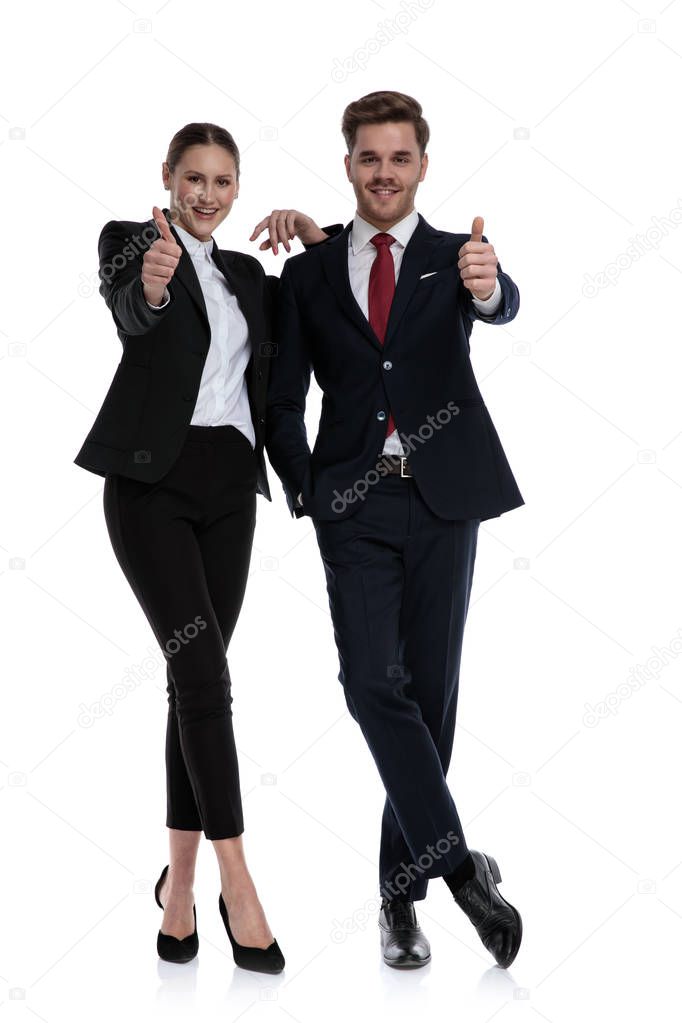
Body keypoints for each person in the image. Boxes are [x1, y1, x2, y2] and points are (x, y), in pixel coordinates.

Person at [265, 91, 524, 969]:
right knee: (373, 684)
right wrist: (309, 489)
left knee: (430, 702)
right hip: (353, 507)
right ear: (347, 165)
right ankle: (460, 871)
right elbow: (284, 394)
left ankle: (398, 897)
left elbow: (501, 301)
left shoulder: (460, 257)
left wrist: (490, 291)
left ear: (423, 165)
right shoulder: (311, 270)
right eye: (368, 158)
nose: (384, 173)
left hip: (445, 498)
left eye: (399, 158)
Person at [73, 121, 340, 972]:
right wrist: (152, 286)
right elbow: (132, 308)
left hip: (232, 490)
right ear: (168, 177)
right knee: (205, 678)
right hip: (152, 485)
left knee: (193, 686)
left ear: (236, 189)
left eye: (224, 182)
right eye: (194, 178)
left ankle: (177, 890)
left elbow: (334, 304)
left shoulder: (249, 277)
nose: (208, 195)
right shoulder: (131, 242)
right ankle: (239, 880)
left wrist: (316, 236)